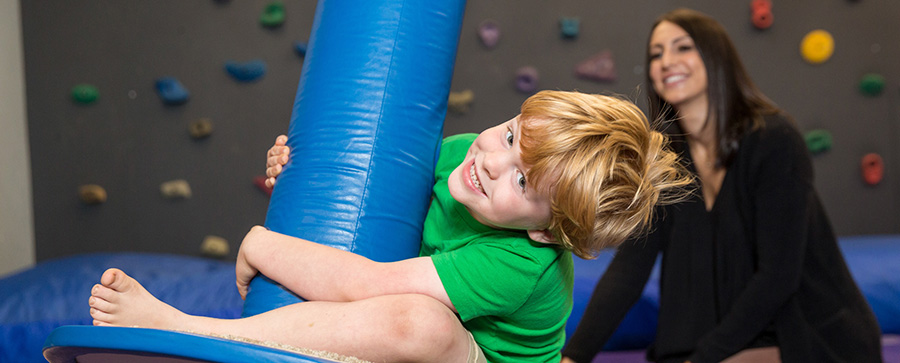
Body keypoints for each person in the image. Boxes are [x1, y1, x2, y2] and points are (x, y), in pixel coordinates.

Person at [88, 90, 692, 363]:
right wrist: (298, 174)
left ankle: (192, 335)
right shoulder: (464, 155)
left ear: (544, 231)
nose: (491, 161)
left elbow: (369, 285)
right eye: (511, 135)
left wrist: (263, 243)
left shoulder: (520, 263)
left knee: (419, 321)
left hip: (484, 361)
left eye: (524, 182)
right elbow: (365, 180)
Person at [561, 8, 883, 363]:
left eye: (682, 48)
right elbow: (628, 271)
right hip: (715, 339)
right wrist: (574, 357)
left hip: (805, 331)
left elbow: (778, 276)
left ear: (716, 56)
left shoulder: (774, 140)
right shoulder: (664, 158)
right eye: (656, 53)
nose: (666, 61)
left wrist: (703, 358)